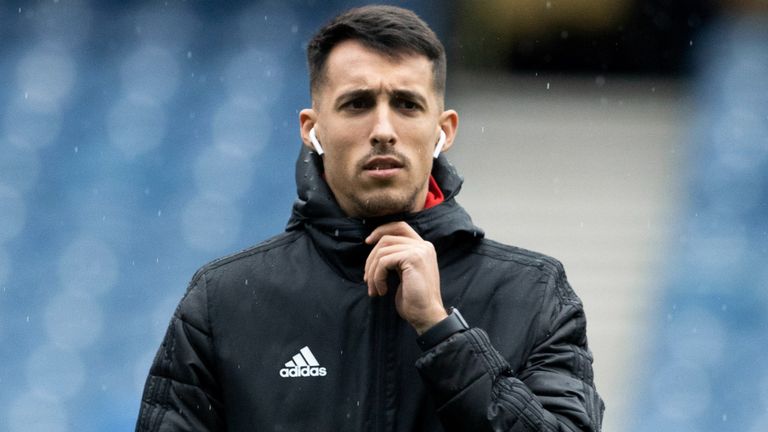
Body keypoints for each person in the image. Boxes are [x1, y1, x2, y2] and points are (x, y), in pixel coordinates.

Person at [136, 5, 604, 431]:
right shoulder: (223, 304)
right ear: (312, 129)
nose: (383, 130)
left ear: (444, 131)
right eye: (357, 103)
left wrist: (443, 333)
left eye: (406, 104)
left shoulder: (532, 294)